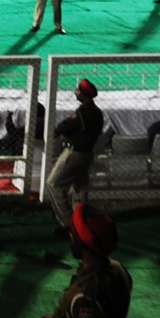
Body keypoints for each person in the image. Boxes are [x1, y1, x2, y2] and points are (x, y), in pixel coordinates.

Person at [42, 204, 132, 318]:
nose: (70, 237)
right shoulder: (119, 271)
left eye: (72, 235)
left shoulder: (86, 295)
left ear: (82, 244)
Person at [45, 79, 104, 229]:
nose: (75, 92)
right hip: (87, 155)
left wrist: (59, 131)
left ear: (83, 95)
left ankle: (68, 223)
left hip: (75, 154)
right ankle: (81, 222)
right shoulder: (97, 113)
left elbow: (64, 127)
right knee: (80, 190)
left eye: (78, 90)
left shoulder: (82, 113)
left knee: (53, 185)